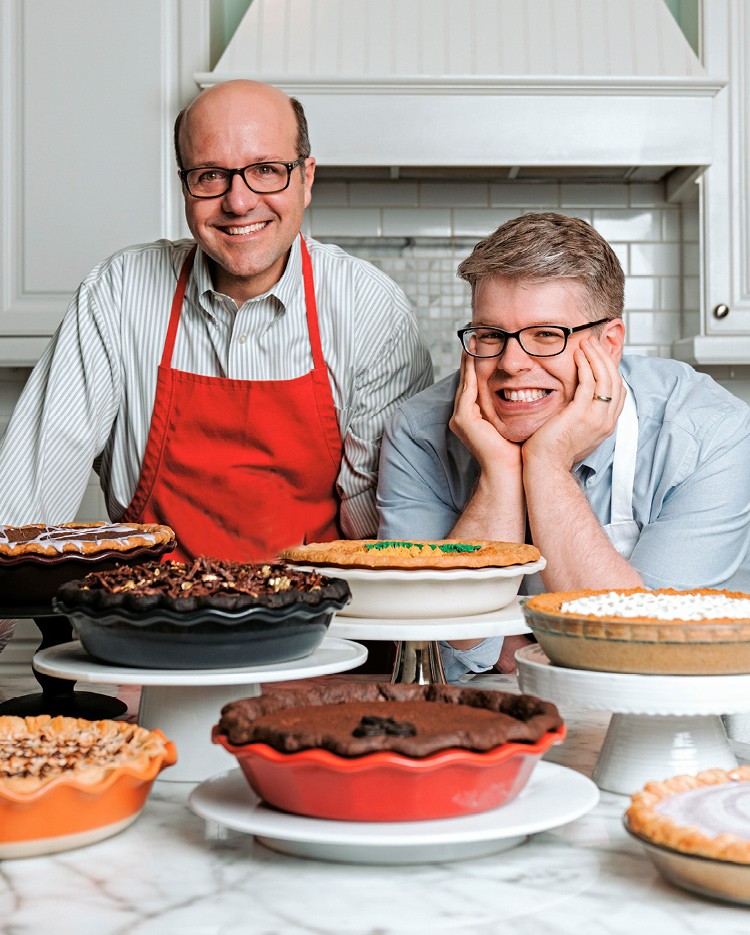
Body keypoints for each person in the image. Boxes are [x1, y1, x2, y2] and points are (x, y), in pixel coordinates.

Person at [0, 80, 432, 562]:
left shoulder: (370, 311)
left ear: (306, 178)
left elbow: (384, 538)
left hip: (323, 629)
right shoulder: (118, 294)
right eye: (210, 176)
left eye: (266, 170)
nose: (239, 202)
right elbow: (23, 519)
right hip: (145, 624)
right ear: (184, 182)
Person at [377, 212, 750, 680]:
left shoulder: (707, 434)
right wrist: (500, 472)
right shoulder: (419, 432)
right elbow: (431, 652)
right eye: (491, 335)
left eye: (546, 336)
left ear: (609, 343)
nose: (512, 363)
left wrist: (547, 464)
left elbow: (649, 652)